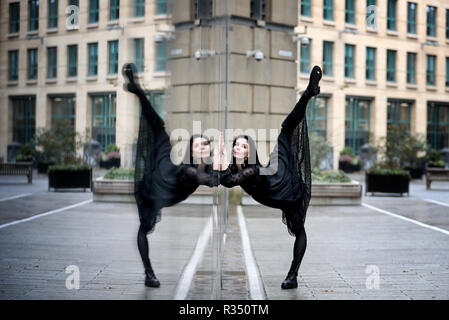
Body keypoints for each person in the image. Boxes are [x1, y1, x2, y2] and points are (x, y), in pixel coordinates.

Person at [216, 65, 322, 289]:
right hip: (274, 178)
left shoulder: (251, 170)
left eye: (243, 146)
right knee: (284, 133)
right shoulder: (236, 168)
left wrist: (222, 166)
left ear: (249, 151)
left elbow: (229, 181)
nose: (238, 148)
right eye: (236, 145)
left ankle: (308, 93)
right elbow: (223, 180)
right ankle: (309, 94)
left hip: (283, 184)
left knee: (286, 129)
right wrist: (220, 160)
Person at [122, 63, 218, 287]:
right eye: (197, 145)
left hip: (171, 184)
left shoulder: (210, 167)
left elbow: (215, 178)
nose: (202, 147)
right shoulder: (188, 169)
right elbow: (199, 177)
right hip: (157, 183)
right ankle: (149, 273)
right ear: (191, 149)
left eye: (205, 144)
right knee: (158, 128)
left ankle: (137, 90)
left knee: (160, 131)